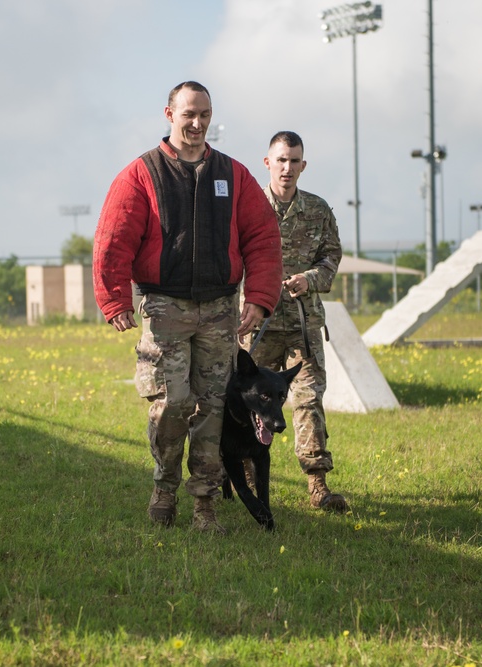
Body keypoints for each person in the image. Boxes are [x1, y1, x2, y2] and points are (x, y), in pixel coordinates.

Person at [93, 81, 283, 534]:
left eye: (205, 115)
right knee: (172, 403)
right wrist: (114, 298)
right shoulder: (142, 174)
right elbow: (113, 239)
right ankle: (164, 484)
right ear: (169, 113)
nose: (197, 123)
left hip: (220, 311)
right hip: (165, 308)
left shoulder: (234, 175)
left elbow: (263, 239)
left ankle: (205, 503)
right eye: (189, 114)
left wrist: (258, 298)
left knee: (213, 408)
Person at [247, 130, 348, 513]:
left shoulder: (318, 210)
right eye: (281, 160)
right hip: (257, 325)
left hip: (303, 325)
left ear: (303, 165)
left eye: (294, 161)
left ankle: (317, 483)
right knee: (255, 403)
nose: (287, 168)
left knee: (308, 400)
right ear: (268, 162)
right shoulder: (249, 205)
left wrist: (310, 279)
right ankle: (249, 475)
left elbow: (331, 259)